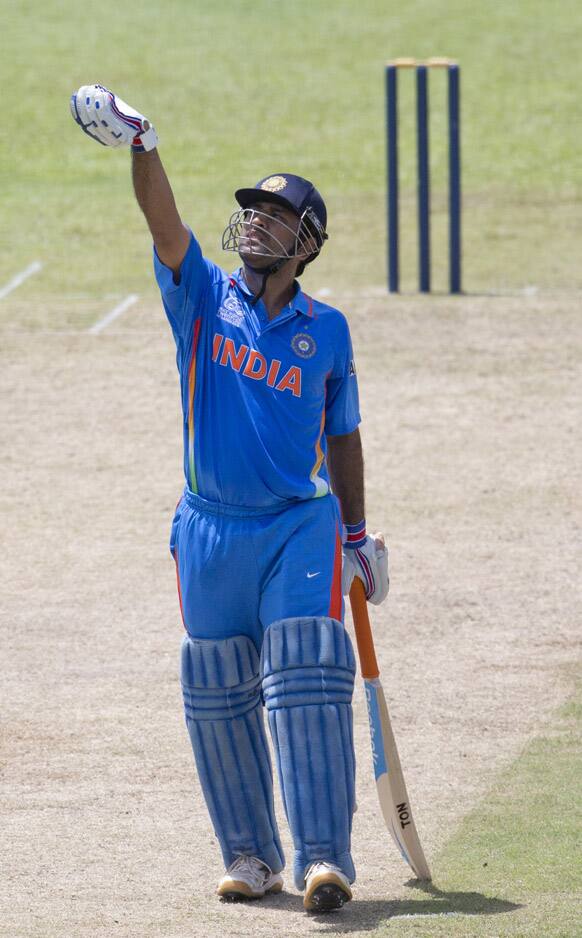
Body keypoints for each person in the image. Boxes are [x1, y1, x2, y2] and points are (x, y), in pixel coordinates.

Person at [70, 84, 389, 914]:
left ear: (306, 242)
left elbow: (344, 434)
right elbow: (163, 223)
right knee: (215, 686)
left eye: (275, 216)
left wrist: (356, 534)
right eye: (250, 211)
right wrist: (143, 144)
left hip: (298, 525)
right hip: (208, 528)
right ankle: (251, 856)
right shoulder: (202, 297)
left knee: (308, 675)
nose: (254, 222)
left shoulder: (330, 329)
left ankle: (326, 859)